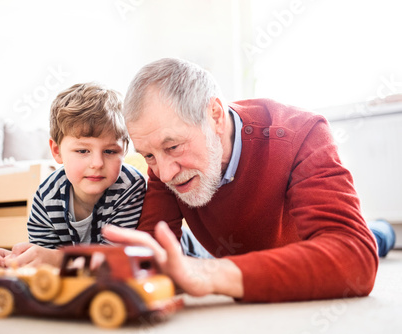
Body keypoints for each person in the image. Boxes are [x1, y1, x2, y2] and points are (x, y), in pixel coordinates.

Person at [102, 57, 389, 303]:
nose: (164, 174)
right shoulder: (163, 158)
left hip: (306, 251)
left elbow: (355, 258)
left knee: (374, 239)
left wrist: (212, 273)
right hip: (240, 253)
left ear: (214, 116)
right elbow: (151, 256)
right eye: (149, 156)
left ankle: (382, 230)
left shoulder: (301, 133)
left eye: (174, 147)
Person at [0, 83, 146, 278]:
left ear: (125, 150)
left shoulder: (131, 187)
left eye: (110, 151)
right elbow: (45, 262)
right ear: (57, 151)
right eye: (83, 151)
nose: (97, 163)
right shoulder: (46, 196)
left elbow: (117, 263)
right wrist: (13, 262)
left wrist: (57, 260)